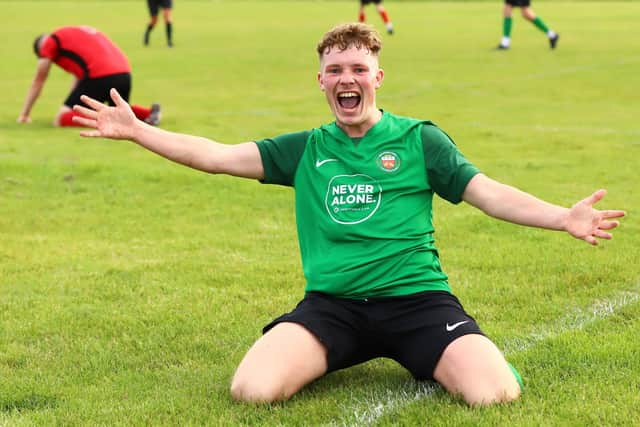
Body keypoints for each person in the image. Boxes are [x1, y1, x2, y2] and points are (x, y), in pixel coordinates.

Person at [71, 23, 624, 406]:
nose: (346, 79)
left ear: (377, 77)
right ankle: (345, 354)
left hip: (417, 301)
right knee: (252, 391)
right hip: (333, 308)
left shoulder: (419, 140)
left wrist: (562, 217)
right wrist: (140, 131)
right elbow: (216, 157)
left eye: (358, 68)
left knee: (495, 393)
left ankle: (440, 356)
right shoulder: (305, 149)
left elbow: (488, 192)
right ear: (321, 81)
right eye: (334, 70)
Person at [18, 26, 160, 127]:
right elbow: (79, 78)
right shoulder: (71, 34)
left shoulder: (50, 43)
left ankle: (108, 122)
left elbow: (39, 81)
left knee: (61, 118)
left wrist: (24, 114)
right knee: (119, 113)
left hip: (100, 76)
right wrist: (71, 102)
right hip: (124, 75)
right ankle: (149, 113)